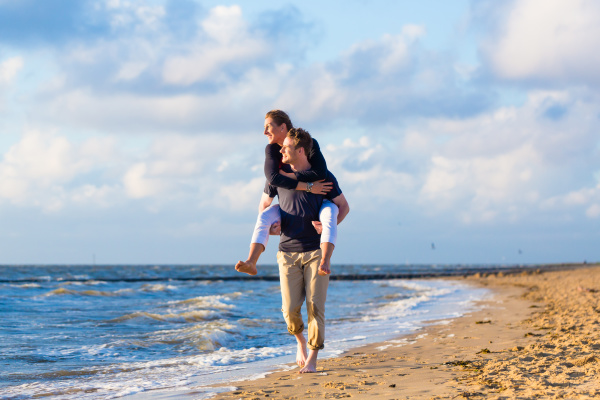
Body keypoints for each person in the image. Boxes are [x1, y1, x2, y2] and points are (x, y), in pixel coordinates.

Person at [261, 127, 349, 373]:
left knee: (315, 306)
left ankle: (313, 359)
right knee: (289, 309)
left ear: (300, 150)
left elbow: (343, 206)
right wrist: (269, 226)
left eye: (286, 147)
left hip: (315, 252)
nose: (281, 150)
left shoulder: (323, 176)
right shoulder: (279, 175)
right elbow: (265, 204)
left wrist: (328, 226)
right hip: (287, 250)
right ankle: (300, 342)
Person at [235, 110, 339, 276]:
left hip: (316, 211)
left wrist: (288, 177)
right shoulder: (271, 151)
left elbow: (321, 173)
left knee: (330, 212)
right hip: (286, 214)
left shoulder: (309, 143)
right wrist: (271, 227)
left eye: (268, 127)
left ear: (283, 127)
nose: (264, 132)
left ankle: (325, 260)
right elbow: (273, 180)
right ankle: (251, 261)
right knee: (264, 216)